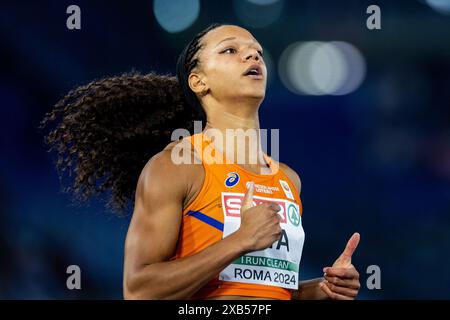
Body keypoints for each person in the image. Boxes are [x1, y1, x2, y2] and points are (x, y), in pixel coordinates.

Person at [41, 23, 361, 300]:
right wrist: (239, 240)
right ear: (198, 81)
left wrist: (323, 290)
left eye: (257, 51)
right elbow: (138, 290)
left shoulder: (289, 181)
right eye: (230, 50)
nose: (252, 56)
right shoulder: (176, 167)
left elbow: (264, 295)